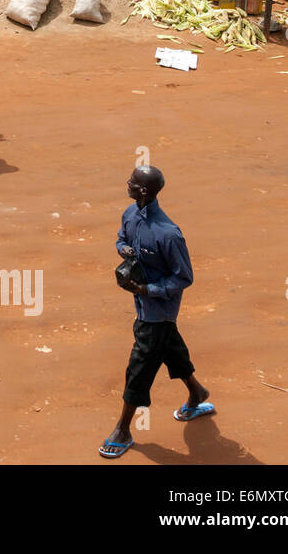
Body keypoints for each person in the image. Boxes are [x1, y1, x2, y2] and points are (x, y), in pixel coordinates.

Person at [99, 165, 212, 459]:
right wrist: (123, 249)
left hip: (157, 309)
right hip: (142, 304)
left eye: (133, 182)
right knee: (170, 348)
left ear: (145, 191)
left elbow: (184, 277)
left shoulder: (168, 234)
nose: (127, 183)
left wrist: (149, 290)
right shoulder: (130, 214)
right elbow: (121, 239)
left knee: (140, 367)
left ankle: (122, 429)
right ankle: (197, 392)